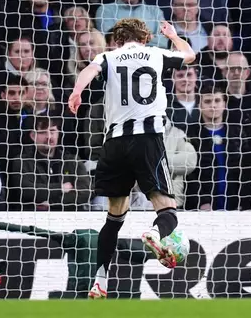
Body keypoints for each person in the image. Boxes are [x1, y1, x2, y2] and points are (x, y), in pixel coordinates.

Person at [68, 18, 195, 299]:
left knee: (114, 218)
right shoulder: (157, 53)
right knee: (168, 210)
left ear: (117, 40)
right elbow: (190, 55)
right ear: (145, 38)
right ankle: (154, 232)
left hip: (114, 143)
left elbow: (89, 69)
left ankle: (100, 280)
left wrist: (77, 92)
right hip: (147, 139)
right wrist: (173, 36)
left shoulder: (108, 56)